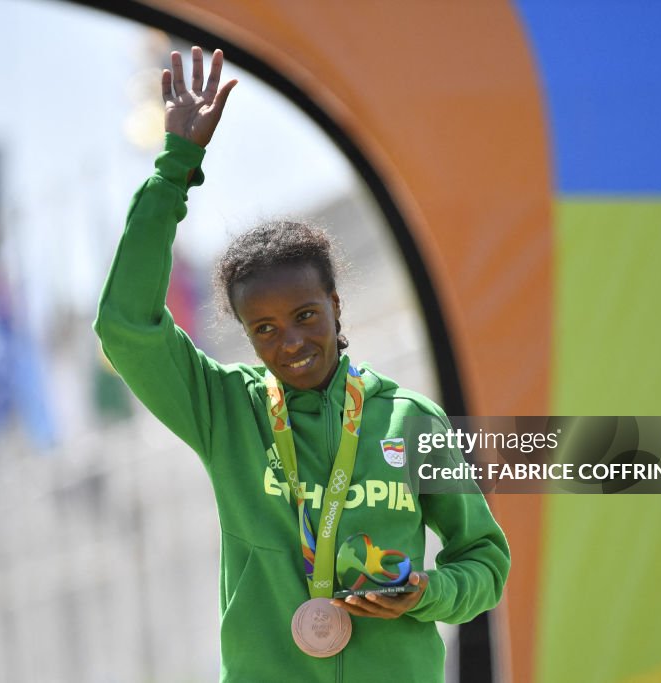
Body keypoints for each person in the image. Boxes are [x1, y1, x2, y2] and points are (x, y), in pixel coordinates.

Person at [94, 46, 510, 682]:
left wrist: (426, 592)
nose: (290, 341)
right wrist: (175, 168)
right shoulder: (223, 411)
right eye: (264, 329)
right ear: (246, 335)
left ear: (336, 306)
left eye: (305, 315)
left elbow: (483, 561)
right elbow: (126, 327)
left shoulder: (408, 422)